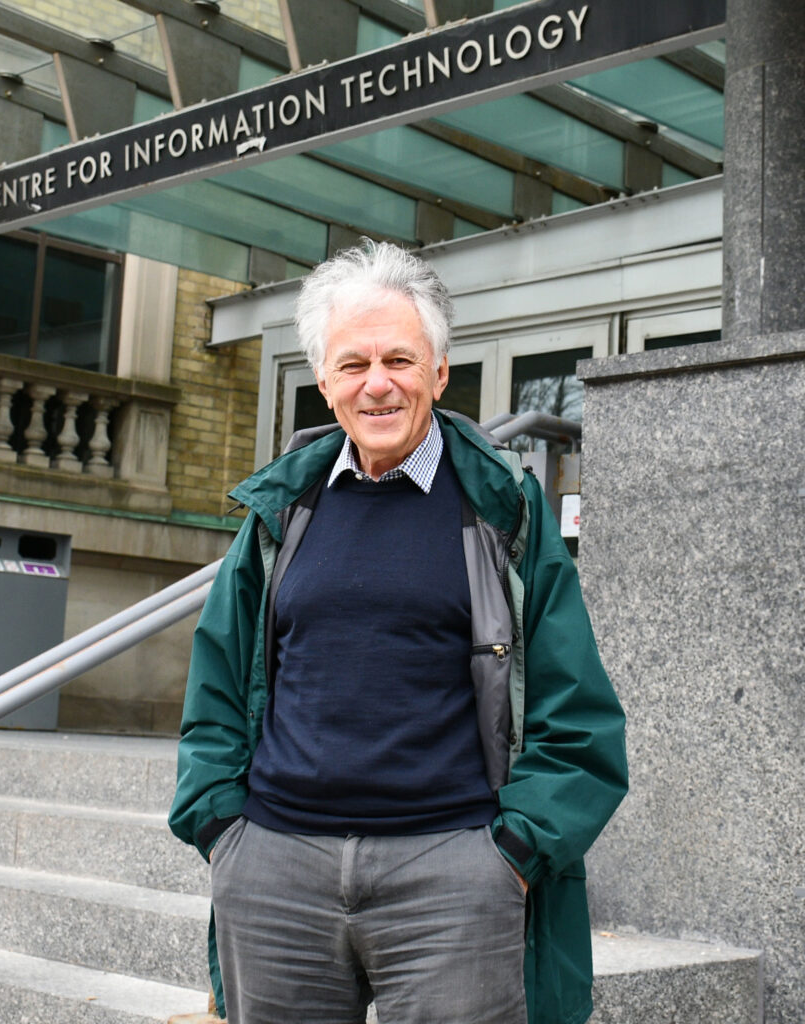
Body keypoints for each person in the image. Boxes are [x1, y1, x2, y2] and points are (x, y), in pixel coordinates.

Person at [169, 240, 627, 1024]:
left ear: (441, 373)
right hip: (275, 872)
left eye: (399, 360)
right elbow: (215, 683)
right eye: (353, 365)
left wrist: (511, 857)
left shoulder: (502, 510)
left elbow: (578, 718)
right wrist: (221, 827)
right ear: (325, 383)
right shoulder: (282, 514)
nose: (377, 383)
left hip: (453, 875)